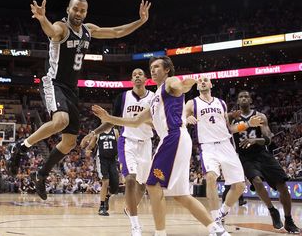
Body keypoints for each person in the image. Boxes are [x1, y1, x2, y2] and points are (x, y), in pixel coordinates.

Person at [9, 0, 151, 200]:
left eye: (82, 11)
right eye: (75, 9)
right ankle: (21, 147)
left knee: (68, 143)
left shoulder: (88, 30)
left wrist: (140, 22)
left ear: (86, 13)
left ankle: (40, 174)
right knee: (61, 121)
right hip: (53, 82)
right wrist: (42, 19)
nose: (78, 13)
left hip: (71, 89)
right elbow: (52, 31)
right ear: (68, 9)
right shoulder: (61, 27)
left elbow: (116, 32)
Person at [92, 56, 229, 236]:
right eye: (152, 67)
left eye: (157, 66)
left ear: (166, 70)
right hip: (175, 140)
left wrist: (188, 83)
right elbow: (135, 121)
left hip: (174, 137)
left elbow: (180, 85)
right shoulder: (155, 97)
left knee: (152, 184)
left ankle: (160, 233)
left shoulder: (170, 82)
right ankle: (216, 230)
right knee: (181, 195)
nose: (153, 70)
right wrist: (109, 118)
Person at [81, 68, 154, 235]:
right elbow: (110, 122)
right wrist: (93, 132)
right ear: (131, 80)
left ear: (146, 79)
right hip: (127, 141)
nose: (137, 76)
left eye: (140, 74)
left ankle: (130, 209)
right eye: (134, 74)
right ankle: (135, 225)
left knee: (142, 185)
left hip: (146, 143)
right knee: (129, 179)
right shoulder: (123, 97)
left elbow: (157, 121)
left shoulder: (153, 98)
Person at [185, 77, 262, 224]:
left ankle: (222, 212)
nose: (202, 82)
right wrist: (187, 118)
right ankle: (215, 222)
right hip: (207, 146)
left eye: (205, 80)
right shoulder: (192, 103)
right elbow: (180, 118)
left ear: (211, 84)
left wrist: (247, 124)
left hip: (226, 144)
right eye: (200, 80)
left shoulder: (221, 103)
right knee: (211, 177)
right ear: (197, 86)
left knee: (240, 186)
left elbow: (230, 128)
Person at [231, 91, 300, 233]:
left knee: (283, 187)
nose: (243, 98)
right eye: (240, 97)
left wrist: (254, 140)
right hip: (245, 157)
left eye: (246, 96)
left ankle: (288, 219)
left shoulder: (260, 116)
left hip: (262, 154)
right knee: (256, 181)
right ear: (238, 101)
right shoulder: (233, 119)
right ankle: (272, 210)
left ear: (250, 100)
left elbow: (268, 139)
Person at [85, 126, 120, 216]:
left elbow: (120, 145)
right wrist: (88, 149)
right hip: (102, 160)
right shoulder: (98, 132)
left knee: (115, 186)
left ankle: (107, 196)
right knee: (105, 181)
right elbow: (92, 145)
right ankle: (102, 207)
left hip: (112, 160)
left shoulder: (115, 131)